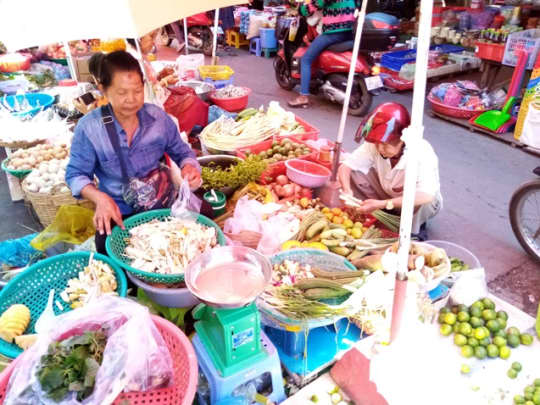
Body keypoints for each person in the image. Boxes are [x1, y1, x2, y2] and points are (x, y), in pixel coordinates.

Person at [66, 51, 201, 254]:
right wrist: (100, 198)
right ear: (103, 89)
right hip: (118, 213)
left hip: (160, 206)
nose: (131, 99)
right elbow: (75, 174)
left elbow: (182, 152)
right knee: (112, 258)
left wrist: (189, 167)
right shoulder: (90, 128)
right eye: (122, 93)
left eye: (137, 91)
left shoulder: (157, 119)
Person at [338, 102, 443, 240]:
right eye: (377, 144)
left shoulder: (421, 153)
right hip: (388, 192)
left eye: (386, 146)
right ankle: (380, 210)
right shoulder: (375, 144)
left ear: (402, 141)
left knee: (427, 200)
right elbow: (346, 167)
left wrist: (384, 203)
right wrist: (347, 191)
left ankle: (414, 230)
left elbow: (426, 196)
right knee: (351, 169)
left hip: (415, 202)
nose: (380, 149)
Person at [288, 0, 357, 108]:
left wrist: (301, 8)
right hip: (349, 33)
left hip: (332, 34)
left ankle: (303, 97)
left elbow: (311, 8)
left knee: (306, 60)